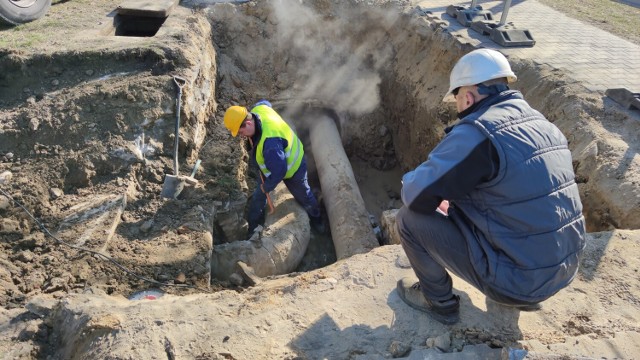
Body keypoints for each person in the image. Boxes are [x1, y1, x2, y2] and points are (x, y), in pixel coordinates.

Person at [395, 49, 586, 325]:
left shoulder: (479, 133)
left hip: (522, 281)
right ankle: (522, 289)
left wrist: (411, 183)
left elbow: (415, 196)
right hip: (562, 269)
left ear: (468, 97)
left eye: (457, 98)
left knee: (409, 219)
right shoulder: (543, 124)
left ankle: (439, 302)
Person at [223, 100, 325, 236]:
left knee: (304, 196)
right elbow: (265, 103)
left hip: (294, 168)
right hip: (270, 165)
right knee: (258, 196)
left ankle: (317, 220)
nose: (241, 135)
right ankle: (252, 227)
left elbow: (280, 171)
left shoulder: (270, 144)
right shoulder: (258, 110)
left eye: (240, 131)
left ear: (248, 123)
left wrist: (267, 187)